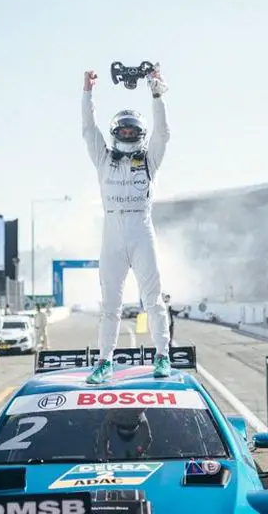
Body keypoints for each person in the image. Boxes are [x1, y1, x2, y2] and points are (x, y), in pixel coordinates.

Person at [82, 65, 171, 383]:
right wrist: (87, 92)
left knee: (153, 298)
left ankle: (163, 355)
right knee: (110, 304)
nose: (129, 135)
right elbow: (88, 130)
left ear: (141, 135)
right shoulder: (103, 158)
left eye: (134, 132)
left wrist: (157, 93)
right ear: (116, 134)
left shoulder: (150, 159)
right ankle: (104, 361)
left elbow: (164, 134)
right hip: (112, 233)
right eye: (124, 131)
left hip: (141, 229)